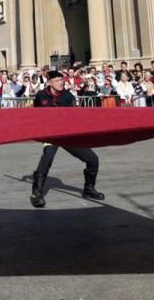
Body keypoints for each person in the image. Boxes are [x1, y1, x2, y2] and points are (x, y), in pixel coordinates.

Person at [29, 70, 103, 208]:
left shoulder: (68, 96)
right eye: (57, 80)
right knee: (47, 159)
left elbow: (75, 115)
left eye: (62, 80)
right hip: (51, 135)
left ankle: (89, 188)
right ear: (50, 82)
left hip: (68, 134)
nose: (61, 82)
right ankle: (36, 194)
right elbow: (36, 115)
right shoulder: (41, 95)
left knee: (93, 159)